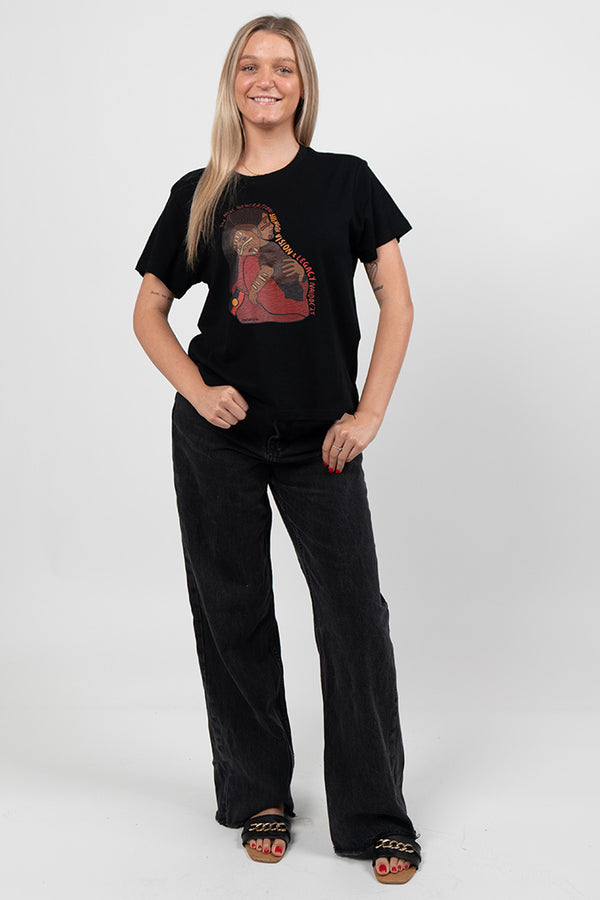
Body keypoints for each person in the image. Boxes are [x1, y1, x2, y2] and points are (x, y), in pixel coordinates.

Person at [133, 14, 421, 885]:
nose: (267, 79)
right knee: (234, 613)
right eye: (251, 66)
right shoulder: (201, 192)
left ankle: (374, 814)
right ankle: (258, 794)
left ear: (302, 84)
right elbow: (149, 310)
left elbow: (397, 301)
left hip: (320, 441)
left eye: (283, 67)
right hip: (218, 439)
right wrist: (197, 390)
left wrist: (368, 414)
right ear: (233, 83)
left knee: (354, 618)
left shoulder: (346, 181)